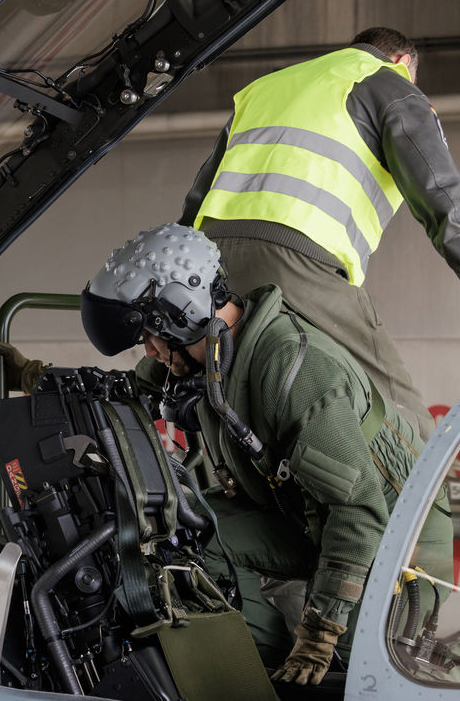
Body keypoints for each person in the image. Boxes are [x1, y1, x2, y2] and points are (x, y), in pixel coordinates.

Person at [69, 223, 452, 686]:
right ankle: (261, 670)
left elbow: (359, 512)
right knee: (180, 540)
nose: (149, 349)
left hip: (393, 541)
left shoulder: (292, 368)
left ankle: (284, 660)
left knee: (356, 677)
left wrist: (320, 630)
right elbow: (127, 390)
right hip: (304, 517)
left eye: (152, 334)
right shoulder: (207, 348)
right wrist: (37, 379)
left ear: (181, 313)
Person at [181, 26, 460, 440]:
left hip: (211, 266)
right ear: (402, 64)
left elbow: (198, 196)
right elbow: (444, 200)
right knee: (402, 415)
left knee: (245, 399)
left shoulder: (264, 88)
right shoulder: (390, 84)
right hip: (299, 260)